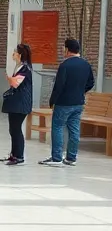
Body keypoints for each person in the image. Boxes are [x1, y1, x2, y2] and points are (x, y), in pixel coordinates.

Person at [40, 38, 95, 167]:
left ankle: (57, 157)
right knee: (74, 130)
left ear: (67, 49)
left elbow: (59, 86)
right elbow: (91, 83)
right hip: (78, 103)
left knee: (58, 127)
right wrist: (81, 91)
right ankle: (71, 157)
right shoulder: (86, 65)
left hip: (63, 102)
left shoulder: (65, 65)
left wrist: (52, 101)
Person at [0, 44, 33, 166]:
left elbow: (16, 83)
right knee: (13, 129)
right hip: (15, 103)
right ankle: (13, 154)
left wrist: (9, 79)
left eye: (14, 52)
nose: (12, 54)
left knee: (16, 129)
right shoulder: (18, 67)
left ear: (19, 55)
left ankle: (19, 156)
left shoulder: (25, 69)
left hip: (21, 104)